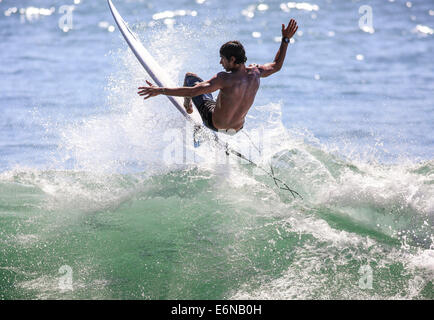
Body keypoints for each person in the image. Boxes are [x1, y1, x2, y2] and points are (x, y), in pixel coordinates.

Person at [138, 19, 298, 134]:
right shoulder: (256, 73)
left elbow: (193, 91)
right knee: (218, 98)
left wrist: (160, 90)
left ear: (232, 59)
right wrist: (285, 40)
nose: (220, 62)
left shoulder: (224, 79)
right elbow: (277, 65)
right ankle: (220, 117)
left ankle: (188, 107)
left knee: (190, 78)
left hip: (214, 124)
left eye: (222, 58)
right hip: (236, 129)